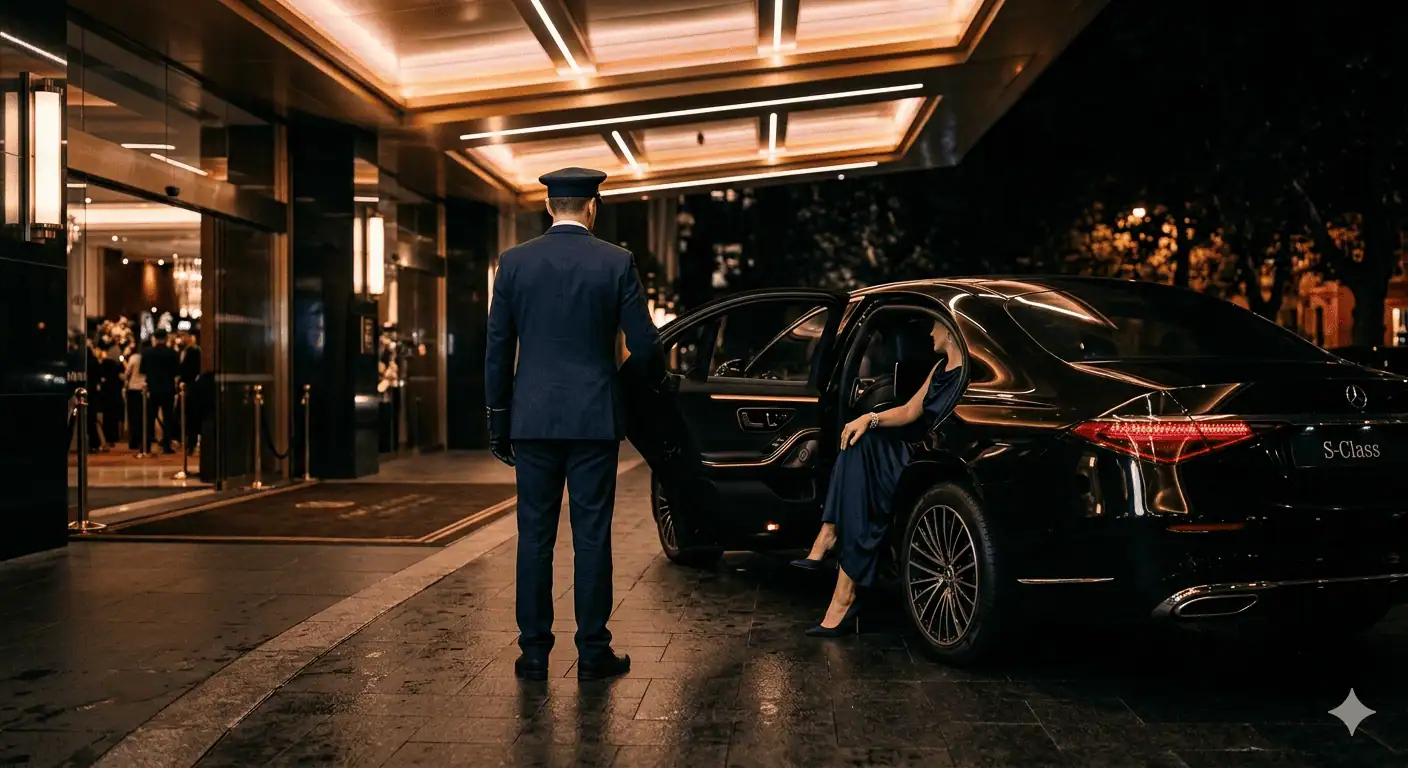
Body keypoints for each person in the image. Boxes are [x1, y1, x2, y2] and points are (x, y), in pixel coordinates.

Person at [485, 167, 664, 682]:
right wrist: (621, 387)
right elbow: (647, 345)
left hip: (532, 418)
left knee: (533, 536)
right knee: (591, 535)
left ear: (548, 207)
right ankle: (592, 650)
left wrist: (499, 419)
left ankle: (534, 652)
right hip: (593, 419)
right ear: (592, 206)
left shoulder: (515, 263)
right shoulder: (617, 262)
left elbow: (498, 349)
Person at [791, 318, 966, 636]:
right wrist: (868, 418)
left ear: (952, 334)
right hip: (910, 449)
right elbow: (910, 411)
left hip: (926, 458)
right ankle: (838, 574)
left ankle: (830, 545)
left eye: (936, 326)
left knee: (859, 463)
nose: (930, 332)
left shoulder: (968, 375)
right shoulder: (939, 367)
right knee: (857, 441)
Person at [141, 329, 180, 454]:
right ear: (166, 338)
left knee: (149, 418)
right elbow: (176, 371)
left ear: (155, 338)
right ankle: (167, 445)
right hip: (168, 388)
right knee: (168, 418)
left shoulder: (147, 353)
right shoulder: (172, 353)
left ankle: (146, 446)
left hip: (152, 388)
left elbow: (143, 370)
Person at [178, 333, 203, 455]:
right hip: (195, 388)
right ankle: (191, 443)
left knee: (189, 418)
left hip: (189, 388)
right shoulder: (197, 354)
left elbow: (182, 370)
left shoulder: (190, 354)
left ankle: (189, 443)